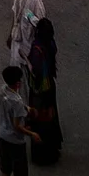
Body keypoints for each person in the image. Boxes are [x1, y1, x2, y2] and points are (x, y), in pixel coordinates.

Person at [26, 19, 63, 165]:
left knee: (39, 120)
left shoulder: (37, 49)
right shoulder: (51, 44)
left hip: (39, 90)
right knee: (50, 117)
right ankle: (52, 150)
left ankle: (41, 155)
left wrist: (28, 65)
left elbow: (36, 70)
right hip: (49, 87)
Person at [0, 64, 35, 176]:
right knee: (19, 171)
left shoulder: (2, 91)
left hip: (3, 134)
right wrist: (32, 134)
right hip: (16, 140)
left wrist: (26, 108)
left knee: (5, 167)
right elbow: (17, 126)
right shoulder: (17, 101)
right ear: (17, 82)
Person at [8, 0, 44, 70]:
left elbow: (41, 26)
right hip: (16, 38)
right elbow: (15, 15)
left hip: (28, 44)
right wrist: (10, 35)